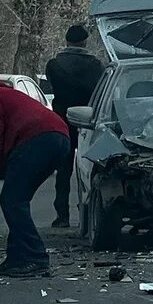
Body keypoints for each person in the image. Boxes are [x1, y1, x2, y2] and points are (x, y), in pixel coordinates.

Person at [0, 80, 70, 277]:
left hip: (37, 138)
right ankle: (17, 257)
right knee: (16, 199)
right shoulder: (1, 93)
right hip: (59, 137)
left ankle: (35, 258)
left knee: (13, 201)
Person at [44, 24, 105, 229]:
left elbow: (55, 88)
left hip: (62, 120)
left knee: (63, 170)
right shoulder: (96, 65)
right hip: (90, 121)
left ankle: (62, 215)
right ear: (85, 42)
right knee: (91, 166)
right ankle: (88, 211)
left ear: (66, 40)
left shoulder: (54, 65)